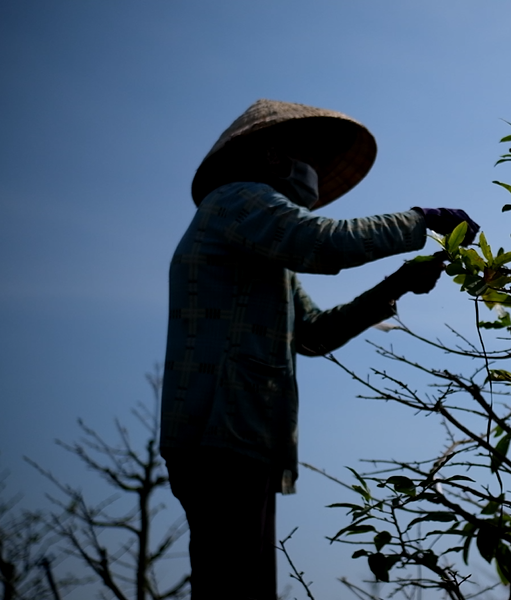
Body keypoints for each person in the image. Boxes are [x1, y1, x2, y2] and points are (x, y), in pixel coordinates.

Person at [159, 99, 480, 599]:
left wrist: (393, 285)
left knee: (241, 586)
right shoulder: (237, 200)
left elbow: (312, 334)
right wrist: (420, 220)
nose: (311, 173)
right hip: (220, 429)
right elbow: (324, 242)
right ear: (270, 156)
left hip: (243, 432)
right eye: (302, 157)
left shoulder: (264, 250)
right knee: (232, 586)